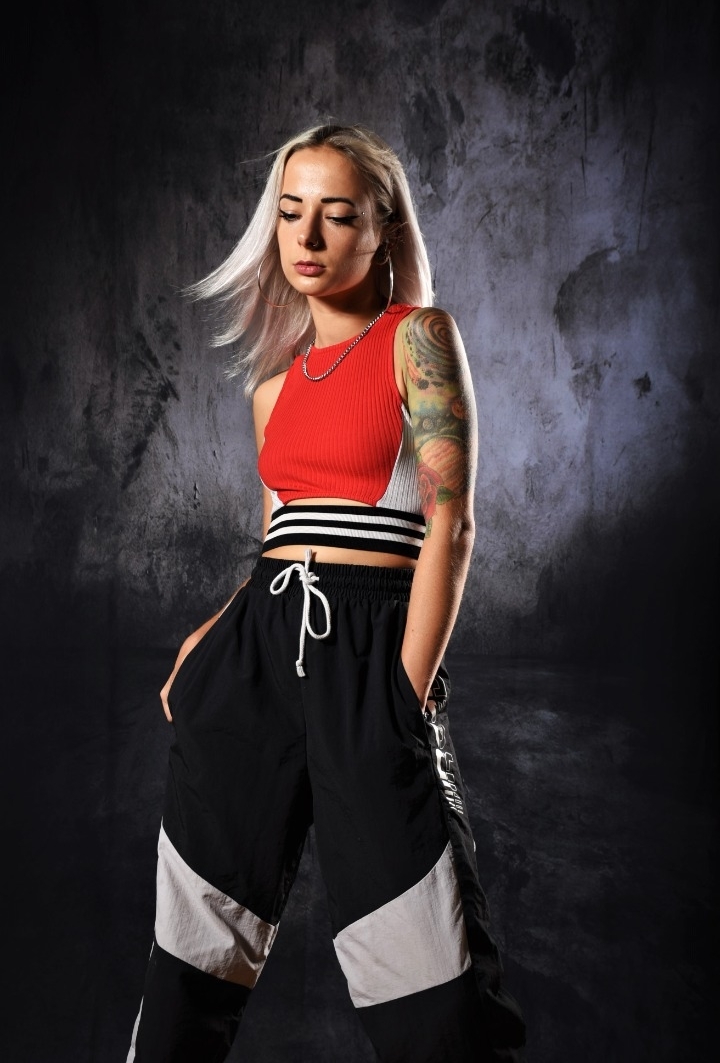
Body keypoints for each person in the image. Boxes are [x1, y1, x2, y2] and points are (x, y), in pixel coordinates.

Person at [127, 123, 526, 1062]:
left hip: (369, 653)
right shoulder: (273, 390)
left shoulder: (418, 339)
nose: (306, 237)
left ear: (382, 230)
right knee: (190, 958)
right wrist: (215, 632)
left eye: (337, 216)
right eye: (290, 213)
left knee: (431, 976)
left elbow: (452, 523)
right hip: (256, 656)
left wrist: (403, 692)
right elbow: (281, 541)